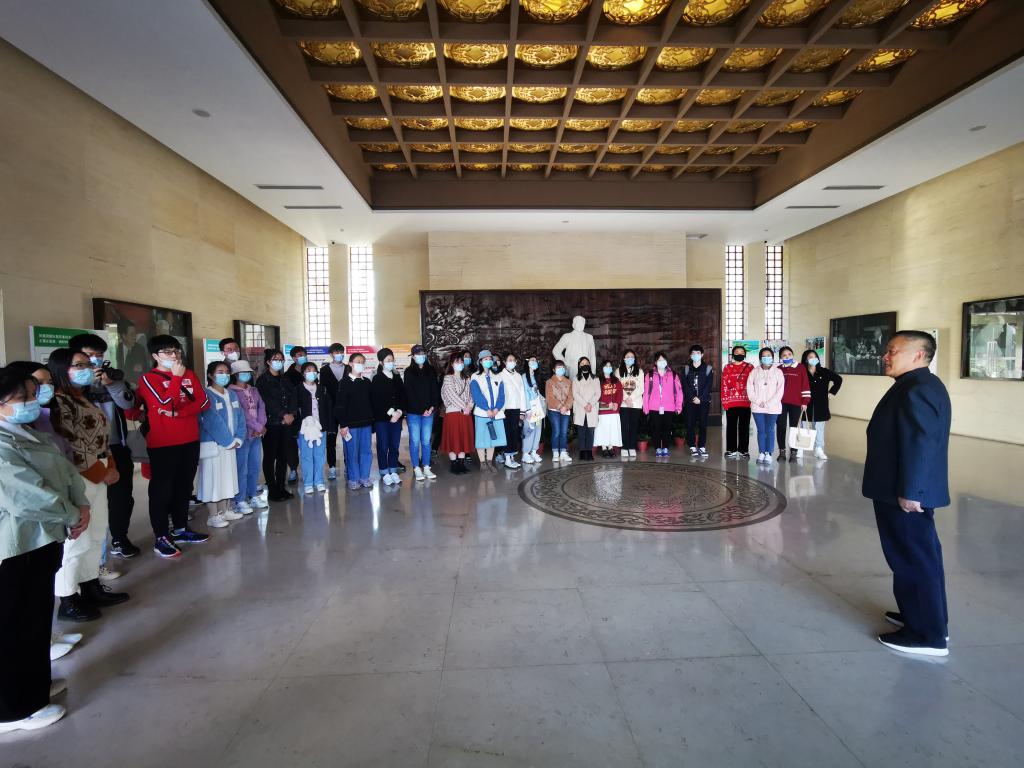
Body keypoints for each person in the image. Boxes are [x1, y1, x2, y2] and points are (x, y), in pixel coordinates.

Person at [0, 369, 89, 733]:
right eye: (21, 398)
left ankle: (34, 688)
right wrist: (72, 514)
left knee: (35, 620)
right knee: (11, 626)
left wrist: (81, 504)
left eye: (32, 395)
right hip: (14, 547)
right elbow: (26, 495)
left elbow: (65, 471)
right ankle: (11, 709)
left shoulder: (27, 432)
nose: (30, 403)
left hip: (42, 540)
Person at [863, 331, 950, 657]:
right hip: (900, 488)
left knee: (913, 559)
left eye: (892, 351)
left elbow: (921, 442)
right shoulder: (916, 384)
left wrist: (912, 491)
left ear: (918, 355)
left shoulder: (918, 389)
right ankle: (925, 618)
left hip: (905, 493)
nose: (885, 356)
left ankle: (927, 635)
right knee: (919, 556)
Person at [46, 349, 129, 621]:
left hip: (100, 471)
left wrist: (110, 465)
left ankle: (91, 585)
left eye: (86, 364)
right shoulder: (59, 403)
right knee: (76, 541)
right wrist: (100, 472)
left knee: (96, 534)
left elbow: (101, 438)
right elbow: (70, 445)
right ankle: (68, 598)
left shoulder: (83, 398)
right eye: (78, 365)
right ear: (62, 369)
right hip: (79, 477)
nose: (86, 369)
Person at [138, 335, 211, 558]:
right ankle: (161, 536)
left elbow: (203, 402)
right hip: (163, 443)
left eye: (176, 351)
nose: (174, 355)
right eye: (168, 352)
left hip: (190, 439)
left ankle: (180, 528)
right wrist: (176, 379)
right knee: (162, 490)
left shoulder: (189, 374)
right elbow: (164, 403)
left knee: (184, 486)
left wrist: (179, 413)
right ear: (155, 356)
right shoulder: (149, 379)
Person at [69, 333, 139, 562]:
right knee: (92, 501)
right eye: (89, 355)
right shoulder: (70, 386)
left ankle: (119, 538)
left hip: (116, 446)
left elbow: (127, 403)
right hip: (87, 452)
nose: (95, 360)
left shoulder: (112, 378)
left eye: (99, 355)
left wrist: (111, 384)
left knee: (122, 497)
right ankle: (93, 559)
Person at [198, 362, 245, 528]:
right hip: (214, 445)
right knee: (213, 480)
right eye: (220, 372)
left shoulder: (231, 394)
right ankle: (213, 515)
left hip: (231, 445)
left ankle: (225, 510)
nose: (224, 375)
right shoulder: (206, 394)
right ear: (210, 375)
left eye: (226, 372)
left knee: (227, 478)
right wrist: (228, 441)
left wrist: (238, 438)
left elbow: (240, 417)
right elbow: (211, 420)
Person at [256, 348, 298, 503]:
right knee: (270, 456)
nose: (279, 362)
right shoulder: (263, 380)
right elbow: (267, 401)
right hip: (271, 423)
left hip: (287, 424)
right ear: (268, 362)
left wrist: (291, 414)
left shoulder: (285, 379)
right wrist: (283, 414)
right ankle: (272, 490)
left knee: (283, 456)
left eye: (281, 359)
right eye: (275, 359)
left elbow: (293, 397)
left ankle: (281, 486)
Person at [228, 360, 267, 514]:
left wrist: (261, 426)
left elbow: (261, 407)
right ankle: (240, 499)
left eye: (248, 373)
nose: (246, 375)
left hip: (256, 435)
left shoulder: (254, 390)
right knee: (241, 468)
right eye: (242, 373)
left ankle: (252, 495)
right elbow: (241, 413)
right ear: (235, 375)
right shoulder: (231, 392)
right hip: (242, 436)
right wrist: (257, 427)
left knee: (254, 467)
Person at [334, 352, 374, 490]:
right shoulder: (344, 382)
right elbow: (340, 406)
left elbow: (371, 403)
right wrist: (343, 424)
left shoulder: (367, 382)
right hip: (351, 425)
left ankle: (365, 477)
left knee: (366, 451)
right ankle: (353, 478)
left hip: (366, 423)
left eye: (362, 362)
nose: (360, 364)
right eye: (358, 361)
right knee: (352, 453)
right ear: (351, 363)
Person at [403, 344, 440, 480]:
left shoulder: (431, 370)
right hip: (413, 412)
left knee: (426, 441)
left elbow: (435, 390)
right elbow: (409, 392)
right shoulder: (409, 371)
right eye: (418, 354)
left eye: (423, 353)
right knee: (414, 440)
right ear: (413, 356)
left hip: (429, 412)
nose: (421, 356)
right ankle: (416, 467)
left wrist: (432, 407)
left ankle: (426, 467)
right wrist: (421, 409)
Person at [370, 348, 405, 486]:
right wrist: (391, 413)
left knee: (394, 445)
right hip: (382, 419)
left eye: (392, 360)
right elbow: (376, 401)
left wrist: (400, 412)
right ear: (381, 362)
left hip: (397, 417)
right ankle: (384, 471)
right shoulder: (377, 379)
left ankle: (393, 469)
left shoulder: (397, 377)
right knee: (383, 446)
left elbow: (402, 397)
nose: (391, 362)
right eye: (388, 360)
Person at [295, 362, 331, 495]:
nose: (312, 373)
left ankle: (319, 481)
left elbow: (328, 408)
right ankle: (308, 482)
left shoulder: (322, 389)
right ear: (303, 373)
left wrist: (329, 426)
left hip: (321, 427)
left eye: (314, 370)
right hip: (305, 429)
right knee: (307, 456)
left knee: (320, 455)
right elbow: (294, 409)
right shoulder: (298, 389)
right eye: (308, 370)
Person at [801, 349, 843, 461]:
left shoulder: (824, 371)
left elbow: (838, 379)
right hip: (805, 404)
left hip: (821, 405)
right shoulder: (802, 372)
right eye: (810, 357)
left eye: (815, 357)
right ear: (805, 359)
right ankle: (800, 448)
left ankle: (818, 449)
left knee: (819, 428)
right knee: (803, 426)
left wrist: (832, 392)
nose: (813, 359)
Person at [747, 347, 785, 465]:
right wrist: (758, 401)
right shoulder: (754, 371)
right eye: (764, 356)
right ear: (760, 358)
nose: (766, 358)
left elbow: (780, 391)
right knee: (761, 430)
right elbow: (750, 389)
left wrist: (768, 403)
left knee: (770, 430)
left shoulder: (778, 372)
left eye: (769, 356)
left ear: (772, 357)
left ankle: (769, 453)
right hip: (757, 407)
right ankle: (762, 452)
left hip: (773, 407)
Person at [470, 350, 506, 469]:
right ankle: (482, 463)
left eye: (490, 359)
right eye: (485, 359)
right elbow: (477, 395)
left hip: (496, 413)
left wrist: (496, 408)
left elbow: (501, 395)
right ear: (480, 362)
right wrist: (486, 408)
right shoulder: (475, 376)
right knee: (481, 438)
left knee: (493, 438)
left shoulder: (497, 376)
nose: (488, 361)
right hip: (482, 413)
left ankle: (490, 461)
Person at [643, 351, 682, 457]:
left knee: (667, 429)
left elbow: (679, 392)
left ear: (666, 361)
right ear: (655, 362)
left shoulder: (673, 375)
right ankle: (657, 448)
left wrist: (678, 406)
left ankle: (665, 448)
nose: (662, 362)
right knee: (655, 429)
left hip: (669, 407)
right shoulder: (650, 375)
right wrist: (645, 407)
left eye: (663, 360)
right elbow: (646, 393)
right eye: (659, 360)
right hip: (654, 407)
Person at [440, 352, 474, 474]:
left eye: (461, 362)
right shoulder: (448, 378)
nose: (460, 364)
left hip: (465, 414)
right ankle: (454, 464)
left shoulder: (466, 379)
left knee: (463, 439)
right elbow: (451, 395)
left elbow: (471, 394)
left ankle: (461, 463)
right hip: (453, 414)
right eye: (457, 362)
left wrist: (470, 405)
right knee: (453, 439)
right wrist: (464, 407)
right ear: (451, 364)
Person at [775, 345, 811, 461]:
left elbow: (805, 384)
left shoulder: (801, 368)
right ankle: (782, 452)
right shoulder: (778, 369)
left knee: (794, 428)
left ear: (793, 355)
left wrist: (805, 401)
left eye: (789, 354)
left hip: (796, 403)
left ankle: (794, 452)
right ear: (781, 357)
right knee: (781, 426)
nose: (787, 356)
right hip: (780, 403)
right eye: (784, 355)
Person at [319, 342, 348, 481]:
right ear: (331, 354)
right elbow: (323, 392)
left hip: (346, 409)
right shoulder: (324, 370)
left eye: (341, 352)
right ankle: (331, 466)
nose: (339, 354)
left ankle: (349, 464)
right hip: (330, 410)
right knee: (331, 440)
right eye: (336, 352)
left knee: (348, 438)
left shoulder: (349, 368)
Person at [721, 345, 754, 460]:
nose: (739, 354)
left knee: (744, 427)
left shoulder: (750, 367)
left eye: (741, 352)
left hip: (746, 402)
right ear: (733, 354)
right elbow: (724, 384)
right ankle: (731, 450)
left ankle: (744, 451)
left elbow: (753, 384)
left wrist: (753, 400)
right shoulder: (727, 367)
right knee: (731, 427)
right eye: (737, 352)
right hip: (731, 403)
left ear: (745, 354)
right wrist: (725, 402)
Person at [681, 344, 714, 458]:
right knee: (690, 424)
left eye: (698, 353)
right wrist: (692, 397)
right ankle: (692, 446)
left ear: (702, 355)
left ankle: (701, 446)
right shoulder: (686, 369)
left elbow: (708, 385)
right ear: (690, 355)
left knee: (703, 424)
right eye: (693, 353)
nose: (696, 355)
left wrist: (700, 398)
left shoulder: (708, 368)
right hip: (690, 401)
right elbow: (684, 385)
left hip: (703, 401)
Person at [283, 346, 307, 485]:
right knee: (291, 444)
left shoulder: (309, 371)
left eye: (304, 354)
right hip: (293, 414)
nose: (302, 357)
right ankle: (293, 469)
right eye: (299, 355)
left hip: (308, 414)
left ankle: (308, 471)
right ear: (293, 358)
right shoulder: (287, 375)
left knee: (307, 442)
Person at [497, 352, 525, 468]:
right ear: (504, 362)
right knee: (507, 433)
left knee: (515, 433)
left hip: (516, 409)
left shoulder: (518, 376)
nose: (512, 362)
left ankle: (512, 456)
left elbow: (522, 394)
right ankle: (507, 458)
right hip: (505, 409)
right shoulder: (500, 375)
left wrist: (522, 411)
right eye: (509, 360)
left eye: (513, 360)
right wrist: (500, 410)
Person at [616, 350, 644, 458]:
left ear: (634, 359)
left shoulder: (639, 371)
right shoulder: (618, 371)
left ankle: (632, 447)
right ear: (624, 359)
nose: (629, 358)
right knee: (624, 426)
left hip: (635, 404)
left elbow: (641, 388)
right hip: (623, 404)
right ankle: (624, 447)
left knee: (633, 426)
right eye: (627, 357)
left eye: (632, 357)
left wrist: (631, 398)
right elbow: (618, 387)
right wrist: (625, 399)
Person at [572, 356, 600, 461]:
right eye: (582, 363)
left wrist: (590, 404)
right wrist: (585, 404)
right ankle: (582, 452)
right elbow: (575, 394)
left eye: (587, 363)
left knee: (590, 431)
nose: (585, 365)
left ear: (590, 365)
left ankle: (589, 451)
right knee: (581, 431)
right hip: (580, 407)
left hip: (591, 408)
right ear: (579, 366)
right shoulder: (576, 378)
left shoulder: (595, 378)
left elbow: (598, 393)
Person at [551, 316, 596, 380]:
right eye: (578, 323)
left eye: (582, 323)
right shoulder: (567, 336)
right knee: (574, 385)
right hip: (573, 369)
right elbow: (556, 351)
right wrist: (566, 364)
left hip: (587, 369)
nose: (580, 324)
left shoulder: (589, 337)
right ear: (573, 325)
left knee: (587, 385)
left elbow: (592, 356)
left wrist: (593, 372)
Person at [545, 360, 572, 462]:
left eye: (562, 367)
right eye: (558, 367)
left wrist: (566, 406)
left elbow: (571, 397)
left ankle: (563, 453)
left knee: (564, 432)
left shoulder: (569, 382)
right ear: (553, 369)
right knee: (556, 431)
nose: (561, 369)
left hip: (566, 410)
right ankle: (555, 453)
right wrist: (560, 407)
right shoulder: (549, 382)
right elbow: (549, 398)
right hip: (554, 410)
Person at [595, 360, 623, 458]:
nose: (608, 368)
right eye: (606, 366)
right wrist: (608, 402)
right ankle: (604, 448)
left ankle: (610, 447)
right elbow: (597, 394)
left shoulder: (616, 380)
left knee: (612, 429)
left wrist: (617, 403)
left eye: (610, 366)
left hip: (614, 410)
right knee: (603, 429)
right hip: (603, 410)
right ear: (602, 368)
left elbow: (620, 393)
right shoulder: (598, 380)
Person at [520, 356, 545, 464]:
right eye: (532, 360)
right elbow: (524, 394)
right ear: (527, 362)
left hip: (538, 408)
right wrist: (527, 410)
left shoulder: (536, 377)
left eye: (536, 361)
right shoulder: (524, 377)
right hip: (529, 408)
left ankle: (534, 451)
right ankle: (525, 453)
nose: (534, 362)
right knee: (529, 430)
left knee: (538, 430)